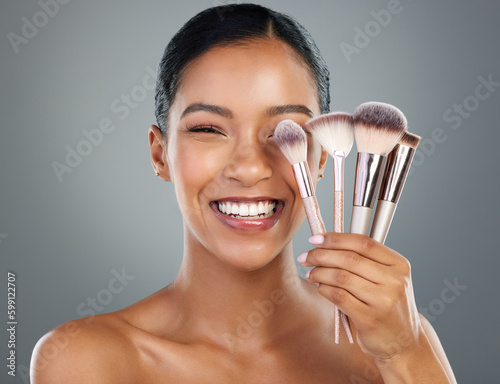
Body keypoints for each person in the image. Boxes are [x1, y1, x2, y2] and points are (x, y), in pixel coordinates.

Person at [31, 3, 456, 383]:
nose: (251, 168)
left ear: (322, 158)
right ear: (160, 155)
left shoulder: (393, 346)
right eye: (208, 129)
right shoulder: (88, 360)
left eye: (284, 132)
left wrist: (405, 353)